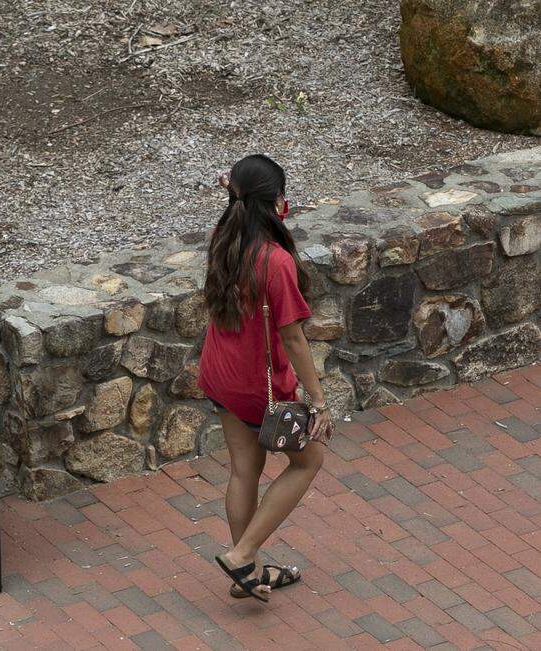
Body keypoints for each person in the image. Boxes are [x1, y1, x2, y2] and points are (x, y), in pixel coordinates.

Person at [196, 154, 334, 602]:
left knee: (244, 470)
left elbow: (238, 199)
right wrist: (318, 401)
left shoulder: (224, 236)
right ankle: (243, 555)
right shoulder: (275, 262)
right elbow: (293, 339)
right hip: (260, 386)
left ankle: (250, 573)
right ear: (277, 203)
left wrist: (234, 186)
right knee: (308, 461)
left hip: (220, 373)